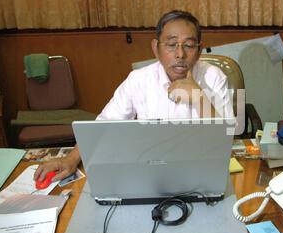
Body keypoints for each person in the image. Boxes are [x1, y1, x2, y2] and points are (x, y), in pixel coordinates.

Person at [34, 10, 233, 183]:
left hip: (199, 166)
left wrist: (200, 98)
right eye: (171, 45)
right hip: (151, 168)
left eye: (189, 45)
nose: (180, 54)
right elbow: (105, 125)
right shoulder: (138, 80)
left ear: (198, 50)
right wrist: (70, 159)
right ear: (156, 48)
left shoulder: (215, 78)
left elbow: (226, 138)